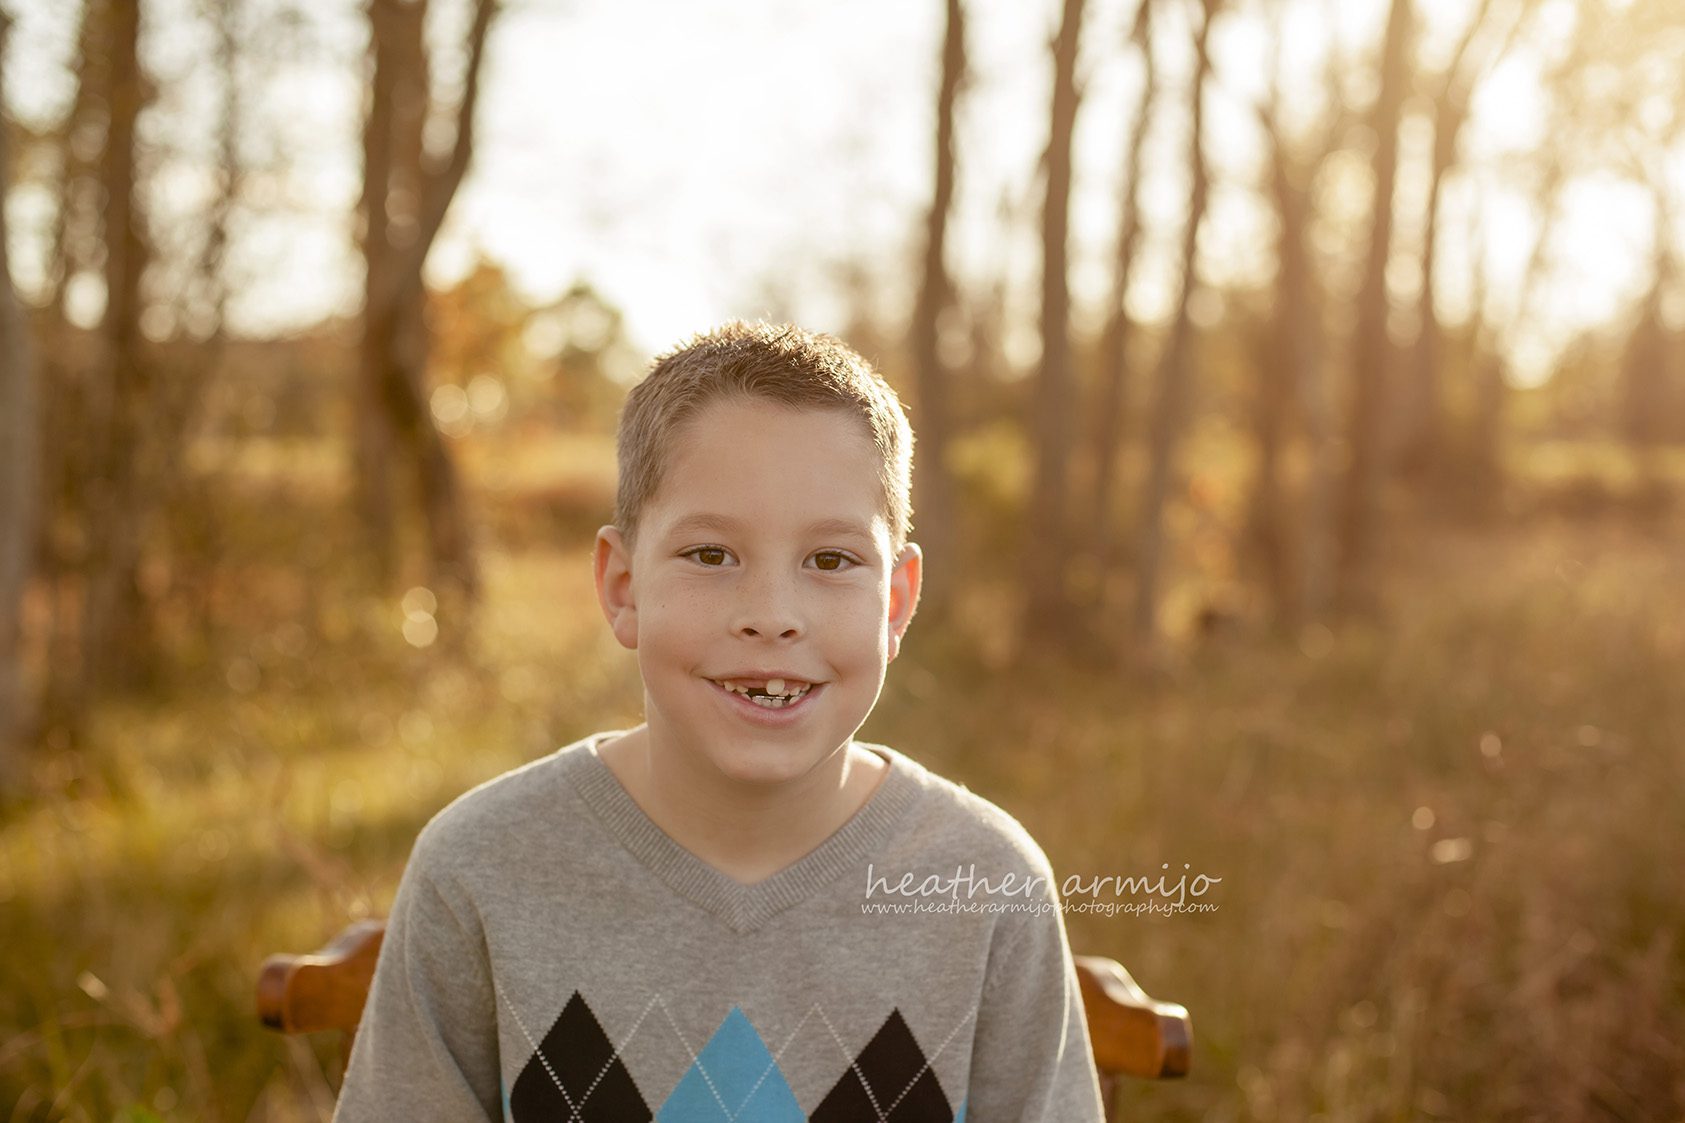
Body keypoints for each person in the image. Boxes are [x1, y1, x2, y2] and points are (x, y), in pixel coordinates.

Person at [333, 321, 1106, 1121]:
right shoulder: (482, 869)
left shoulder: (985, 885)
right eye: (710, 555)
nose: (771, 616)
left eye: (831, 560)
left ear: (897, 603)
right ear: (623, 586)